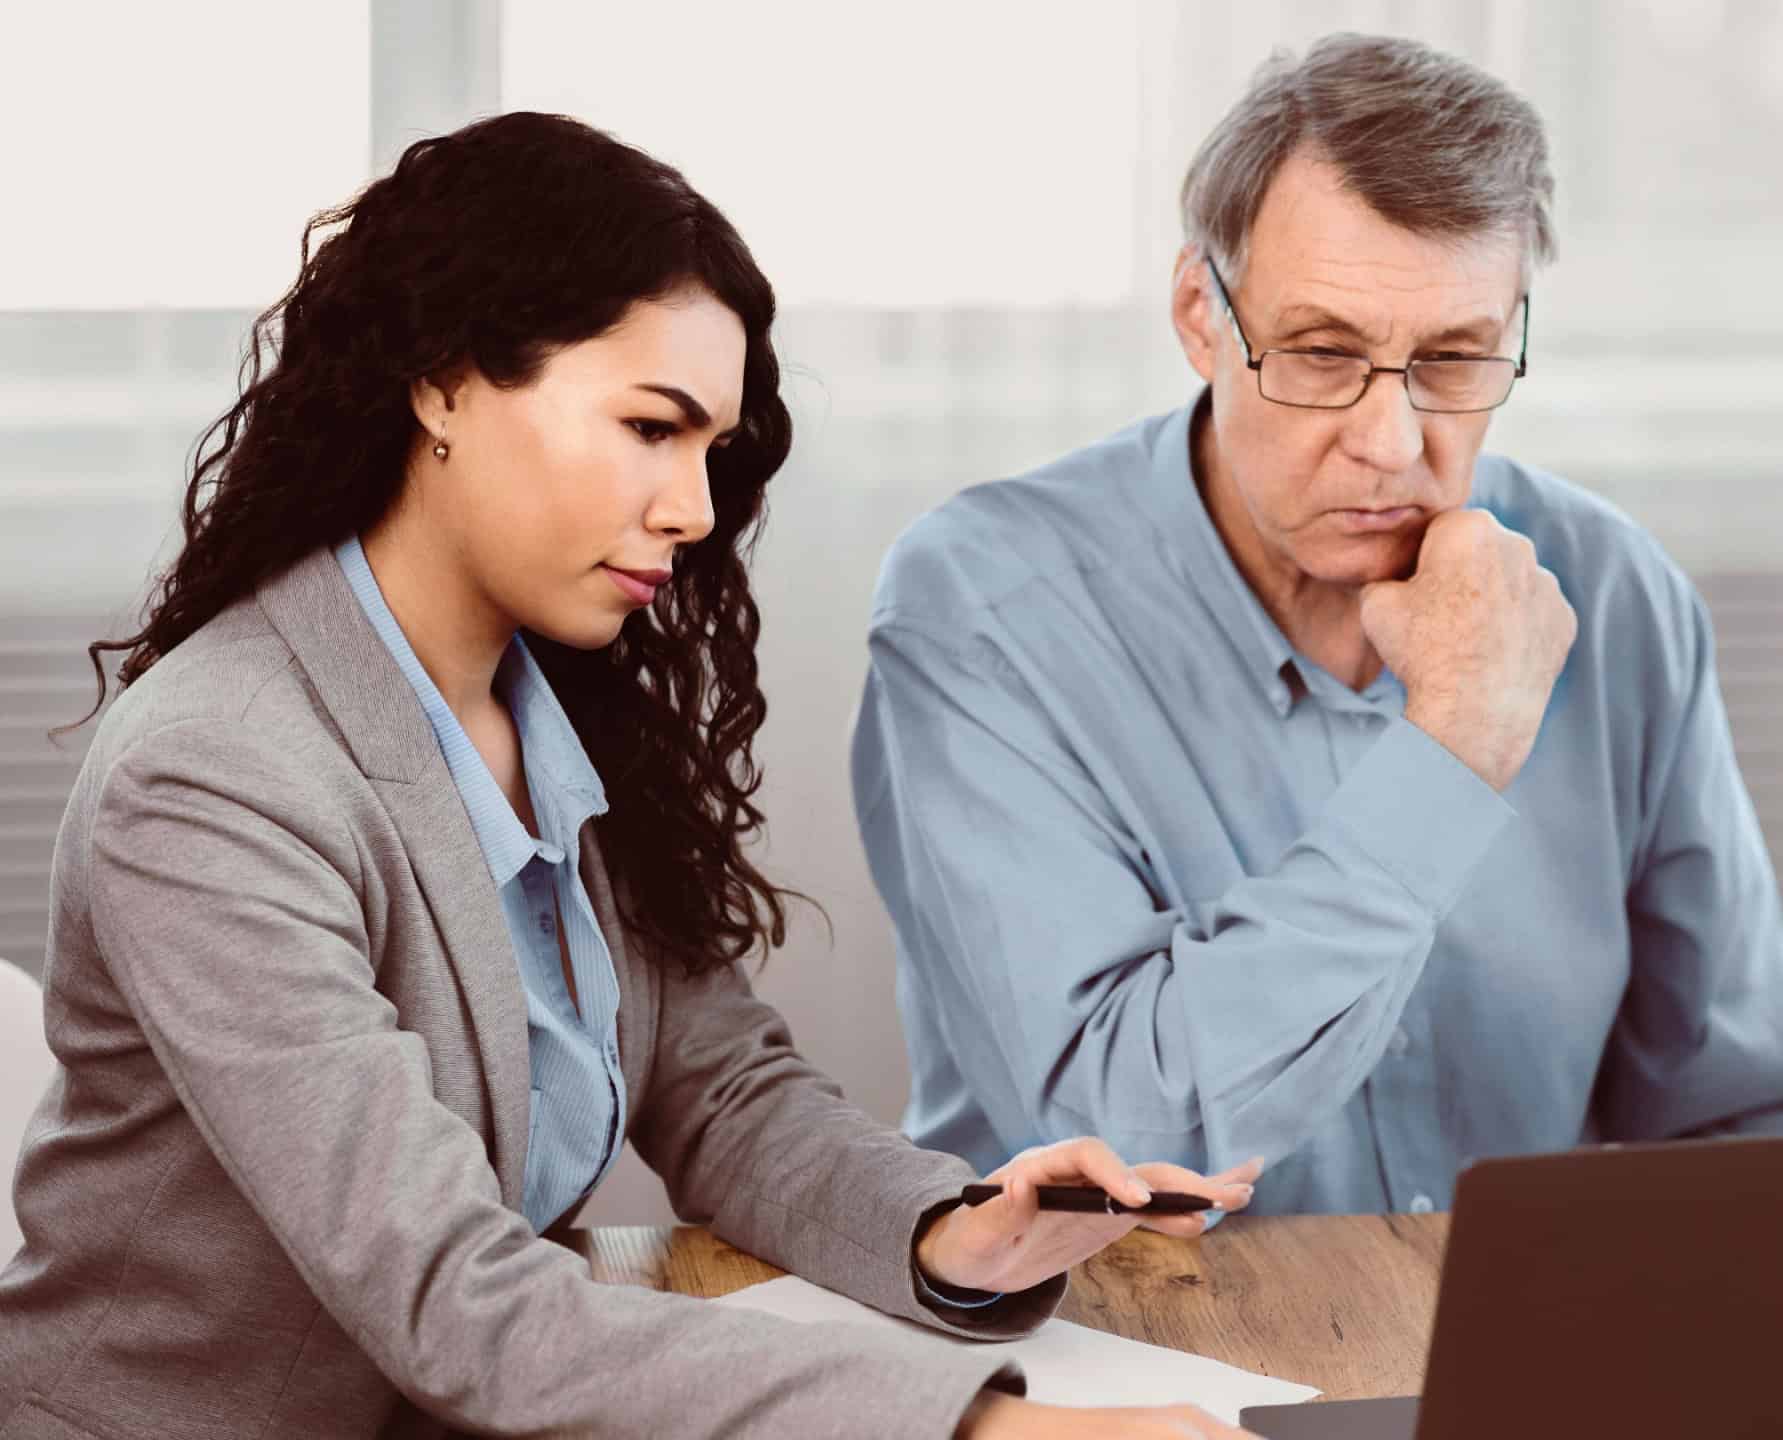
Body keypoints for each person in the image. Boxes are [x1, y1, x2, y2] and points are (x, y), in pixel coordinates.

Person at [0, 112, 1257, 1440]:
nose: (695, 509)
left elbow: (720, 1092)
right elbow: (458, 1303)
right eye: (651, 427)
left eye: (711, 449)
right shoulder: (214, 779)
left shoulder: (560, 715)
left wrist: (953, 1233)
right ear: (442, 382)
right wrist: (975, 1428)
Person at [855, 34, 1783, 1217]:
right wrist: (1453, 749)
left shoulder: (1615, 594)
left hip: (1524, 1351)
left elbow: (1728, 1122)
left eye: (1454, 358)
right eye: (1322, 355)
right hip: (1140, 1350)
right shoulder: (984, 612)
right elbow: (1124, 1146)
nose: (1391, 442)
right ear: (1198, 316)